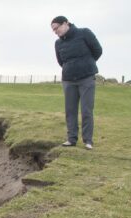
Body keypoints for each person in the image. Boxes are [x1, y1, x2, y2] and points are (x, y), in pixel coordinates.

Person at [51, 16, 102, 150]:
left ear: (66, 23)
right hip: (68, 80)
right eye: (53, 30)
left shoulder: (84, 33)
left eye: (57, 28)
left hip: (86, 78)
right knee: (70, 110)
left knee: (86, 110)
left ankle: (88, 141)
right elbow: (61, 61)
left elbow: (97, 51)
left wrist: (86, 64)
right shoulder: (58, 43)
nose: (55, 31)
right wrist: (71, 68)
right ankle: (71, 139)